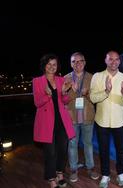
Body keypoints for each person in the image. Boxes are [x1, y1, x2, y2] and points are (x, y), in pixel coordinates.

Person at [90, 51, 123, 188]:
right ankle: (105, 175)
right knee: (103, 150)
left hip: (119, 121)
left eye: (116, 60)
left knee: (121, 150)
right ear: (105, 60)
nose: (113, 62)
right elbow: (92, 98)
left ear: (119, 62)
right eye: (110, 59)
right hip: (101, 121)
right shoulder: (97, 76)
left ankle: (121, 174)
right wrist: (106, 92)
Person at [33, 54, 75, 188]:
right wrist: (47, 95)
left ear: (57, 67)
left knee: (63, 149)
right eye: (49, 64)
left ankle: (60, 173)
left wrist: (63, 93)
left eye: (54, 64)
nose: (52, 67)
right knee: (50, 152)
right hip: (47, 122)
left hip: (61, 120)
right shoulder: (37, 81)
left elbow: (65, 101)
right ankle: (51, 178)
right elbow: (37, 103)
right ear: (44, 65)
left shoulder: (61, 80)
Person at [64, 52, 99, 182]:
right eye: (74, 61)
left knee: (88, 144)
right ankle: (73, 169)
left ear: (84, 62)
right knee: (72, 144)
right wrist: (71, 90)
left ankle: (90, 167)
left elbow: (95, 99)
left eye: (80, 61)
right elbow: (63, 100)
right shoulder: (66, 78)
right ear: (70, 63)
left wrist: (87, 93)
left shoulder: (92, 78)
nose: (77, 64)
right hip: (72, 117)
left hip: (87, 116)